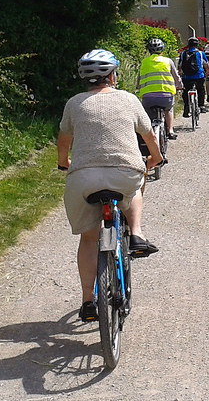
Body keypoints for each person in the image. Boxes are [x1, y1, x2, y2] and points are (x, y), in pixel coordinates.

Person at [56, 49, 162, 322]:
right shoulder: (128, 99)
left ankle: (88, 301)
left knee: (89, 238)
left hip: (84, 178)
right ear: (113, 75)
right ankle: (136, 233)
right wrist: (156, 157)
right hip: (123, 174)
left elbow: (64, 141)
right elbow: (148, 135)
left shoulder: (74, 103)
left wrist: (64, 162)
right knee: (137, 185)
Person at [136, 38, 182, 140]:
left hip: (147, 97)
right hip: (166, 96)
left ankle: (148, 133)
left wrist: (138, 87)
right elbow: (176, 77)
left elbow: (139, 79)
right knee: (169, 109)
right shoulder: (168, 61)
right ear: (162, 50)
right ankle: (170, 130)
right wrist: (180, 85)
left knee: (148, 114)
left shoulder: (144, 62)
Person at [178, 37, 209, 116]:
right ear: (197, 45)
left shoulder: (183, 54)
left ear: (188, 45)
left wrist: (181, 74)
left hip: (186, 77)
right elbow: (207, 66)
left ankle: (186, 108)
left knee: (186, 92)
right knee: (201, 90)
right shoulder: (200, 53)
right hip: (199, 76)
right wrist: (207, 73)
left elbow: (180, 67)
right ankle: (201, 105)